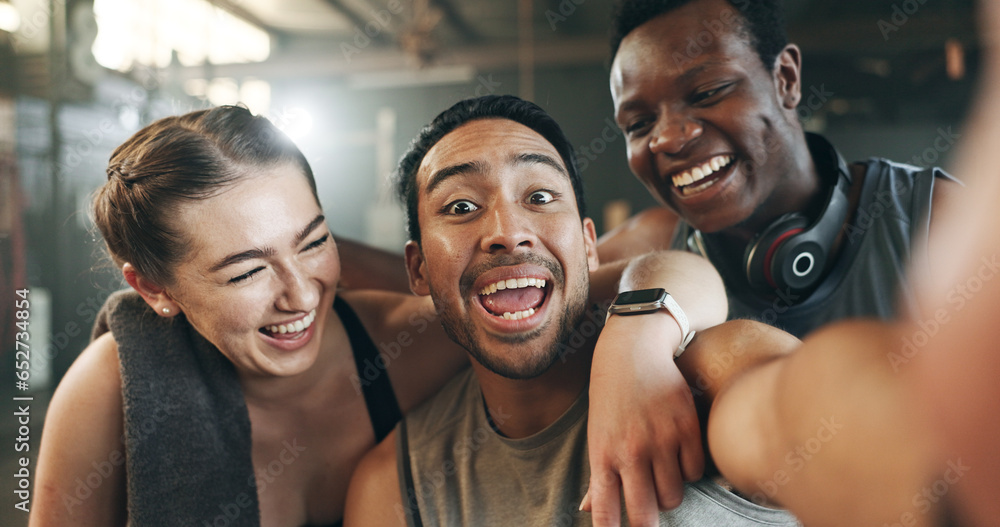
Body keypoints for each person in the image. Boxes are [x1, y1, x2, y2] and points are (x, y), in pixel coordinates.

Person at [30, 105, 694, 527]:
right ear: (153, 289)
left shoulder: (400, 342)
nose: (302, 294)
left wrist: (638, 344)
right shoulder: (114, 388)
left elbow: (661, 254)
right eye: (246, 270)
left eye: (313, 241)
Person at [342, 94, 802, 527]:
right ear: (418, 268)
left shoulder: (701, 374)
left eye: (539, 197)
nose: (508, 230)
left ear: (587, 244)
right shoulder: (395, 488)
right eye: (461, 206)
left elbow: (823, 419)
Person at [602, 0, 959, 338]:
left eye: (708, 92)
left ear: (786, 79)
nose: (666, 139)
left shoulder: (937, 218)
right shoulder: (649, 250)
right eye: (639, 123)